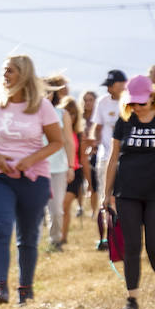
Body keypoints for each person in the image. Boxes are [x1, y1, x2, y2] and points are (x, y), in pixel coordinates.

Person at [0, 55, 64, 305]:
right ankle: (0, 288)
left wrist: (31, 159)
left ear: (23, 74)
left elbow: (58, 141)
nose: (5, 75)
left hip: (33, 178)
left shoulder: (42, 107)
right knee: (0, 228)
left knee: (28, 236)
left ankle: (25, 289)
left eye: (10, 71)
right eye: (3, 70)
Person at [102, 75, 155, 309]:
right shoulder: (124, 122)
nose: (137, 107)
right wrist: (107, 193)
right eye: (132, 103)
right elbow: (113, 158)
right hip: (127, 192)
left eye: (141, 103)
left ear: (152, 98)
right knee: (132, 247)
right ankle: (132, 300)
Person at [41, 75, 77, 251]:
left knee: (56, 210)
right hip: (35, 168)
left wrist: (71, 166)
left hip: (58, 168)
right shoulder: (29, 114)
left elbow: (69, 141)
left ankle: (55, 241)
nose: (44, 95)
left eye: (48, 92)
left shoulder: (62, 114)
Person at [92, 69, 127, 227]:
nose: (108, 88)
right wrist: (95, 142)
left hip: (125, 158)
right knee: (105, 196)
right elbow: (97, 127)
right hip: (105, 156)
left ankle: (122, 228)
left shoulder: (131, 102)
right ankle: (108, 231)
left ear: (121, 85)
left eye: (111, 85)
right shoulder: (102, 102)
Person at [57, 93, 84, 244]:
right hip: (59, 171)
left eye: (73, 113)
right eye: (68, 112)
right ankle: (61, 236)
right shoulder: (55, 133)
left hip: (75, 172)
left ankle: (62, 237)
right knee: (61, 207)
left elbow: (83, 158)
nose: (71, 116)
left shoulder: (79, 134)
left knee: (64, 204)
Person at [79, 89, 99, 217]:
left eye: (90, 100)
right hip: (80, 153)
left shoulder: (98, 118)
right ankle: (80, 207)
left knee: (95, 183)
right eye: (85, 100)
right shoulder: (79, 118)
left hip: (95, 152)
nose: (88, 103)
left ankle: (93, 210)